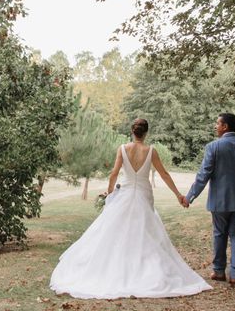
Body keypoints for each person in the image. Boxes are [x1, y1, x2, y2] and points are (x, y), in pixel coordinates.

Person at [49, 118, 212, 299]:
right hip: (143, 193)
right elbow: (164, 174)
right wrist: (178, 195)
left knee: (115, 230)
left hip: (125, 193)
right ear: (146, 133)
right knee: (145, 230)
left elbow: (114, 173)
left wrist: (110, 192)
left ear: (132, 132)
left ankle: (118, 267)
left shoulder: (123, 149)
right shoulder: (151, 151)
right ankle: (142, 268)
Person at [183, 113, 235, 287]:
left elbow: (204, 175)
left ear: (225, 126)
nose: (215, 126)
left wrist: (190, 197)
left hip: (219, 201)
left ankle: (219, 271)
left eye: (217, 124)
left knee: (219, 234)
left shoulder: (213, 147)